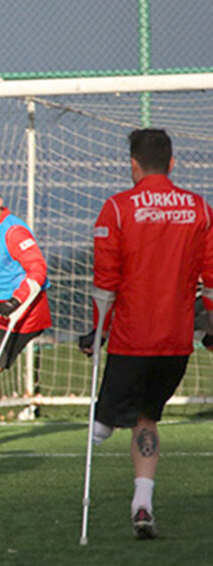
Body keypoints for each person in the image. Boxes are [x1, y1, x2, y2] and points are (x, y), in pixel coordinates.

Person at [80, 129, 213, 539]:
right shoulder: (199, 210)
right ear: (172, 164)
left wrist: (96, 331)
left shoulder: (118, 209)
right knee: (147, 419)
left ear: (133, 164)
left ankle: (104, 420)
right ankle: (142, 503)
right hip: (175, 344)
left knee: (101, 429)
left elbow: (106, 282)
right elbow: (210, 281)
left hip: (131, 341)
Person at [0, 170, 51, 448]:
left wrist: (15, 300)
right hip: (3, 315)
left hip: (24, 314)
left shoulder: (13, 230)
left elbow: (38, 269)